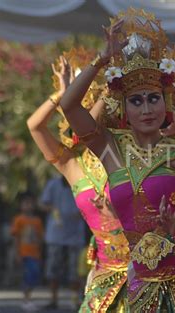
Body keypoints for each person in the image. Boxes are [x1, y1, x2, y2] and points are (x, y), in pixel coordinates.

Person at [59, 8, 175, 311]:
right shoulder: (110, 148)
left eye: (153, 98)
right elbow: (69, 105)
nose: (146, 109)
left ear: (165, 103)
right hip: (146, 274)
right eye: (136, 101)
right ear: (124, 107)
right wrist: (102, 60)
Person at [28, 48, 130, 312]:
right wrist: (61, 95)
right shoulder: (72, 165)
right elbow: (35, 126)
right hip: (102, 279)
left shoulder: (132, 159)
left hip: (142, 274)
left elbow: (90, 126)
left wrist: (110, 82)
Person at [39, 176, 85, 309]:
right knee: (53, 269)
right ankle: (53, 300)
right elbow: (43, 203)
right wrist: (52, 209)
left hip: (75, 235)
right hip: (55, 234)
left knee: (75, 270)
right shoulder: (53, 184)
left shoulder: (80, 183)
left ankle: (74, 300)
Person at [11, 193, 44, 312]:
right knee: (28, 276)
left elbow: (40, 238)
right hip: (24, 253)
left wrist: (40, 253)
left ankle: (28, 299)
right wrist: (17, 253)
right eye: (25, 204)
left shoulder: (37, 221)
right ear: (21, 206)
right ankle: (26, 300)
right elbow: (15, 238)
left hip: (35, 253)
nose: (28, 206)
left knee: (34, 275)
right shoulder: (18, 220)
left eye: (30, 203)